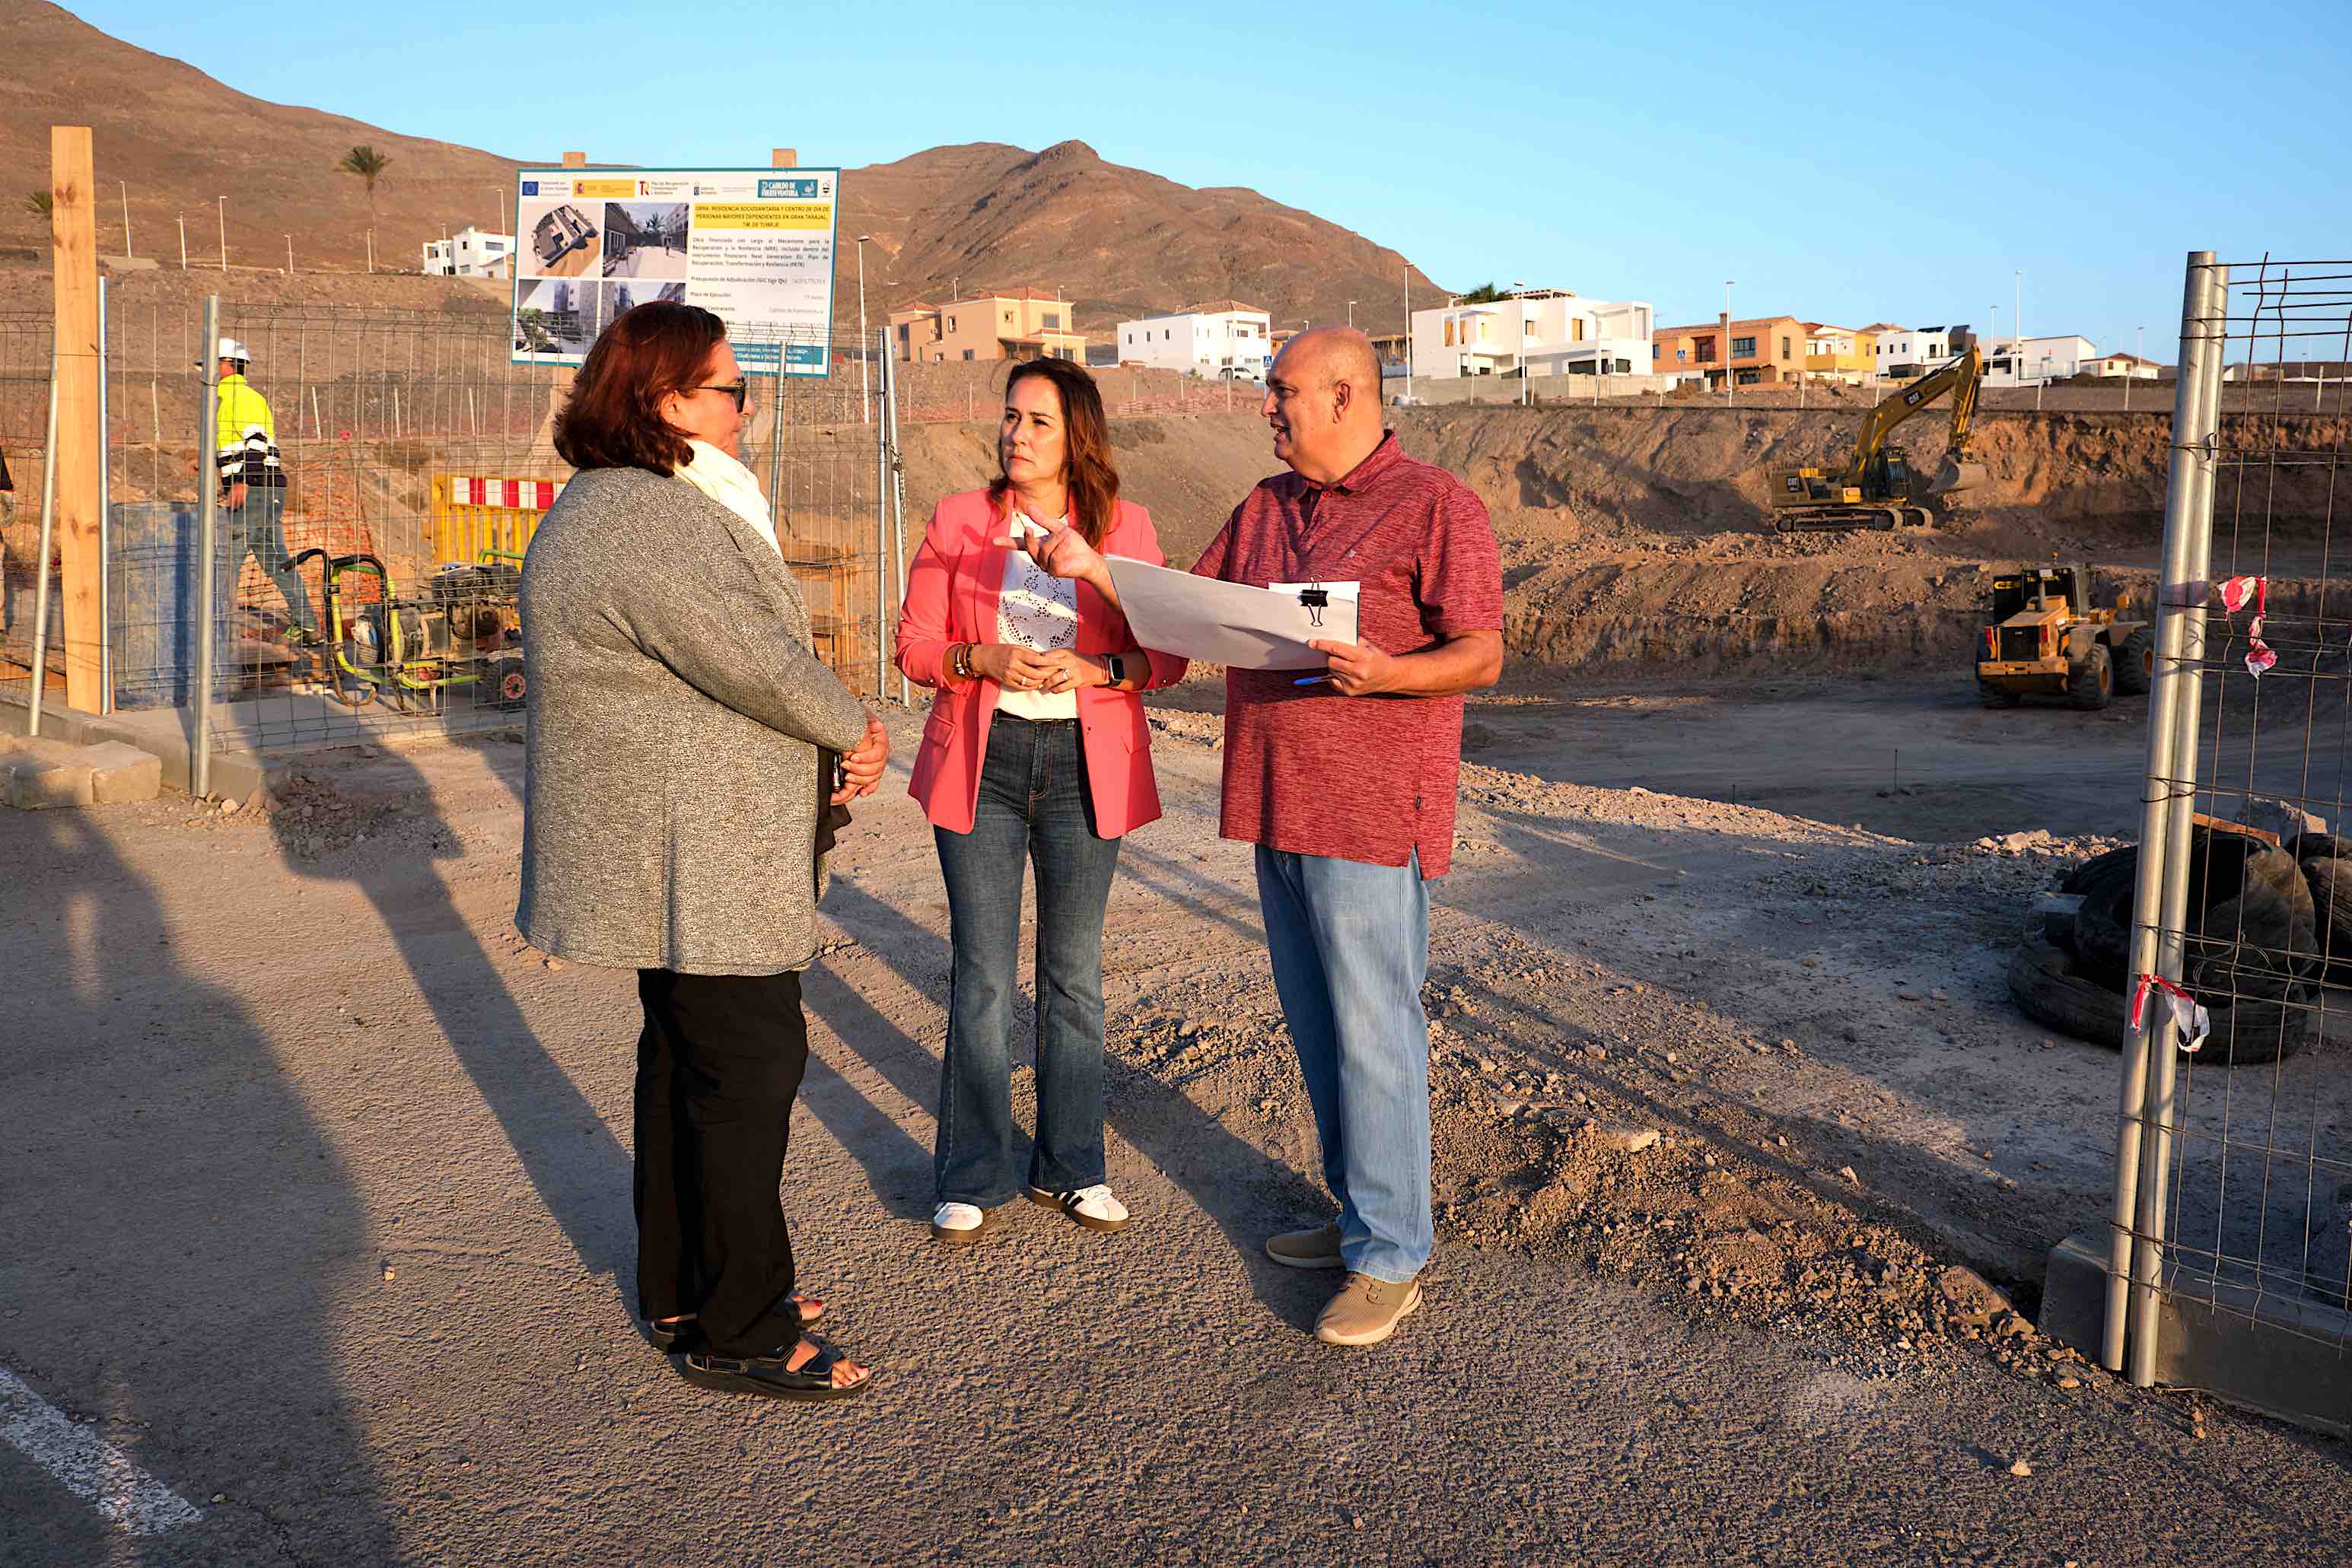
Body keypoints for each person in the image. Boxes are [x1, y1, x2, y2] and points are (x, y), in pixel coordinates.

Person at [1004, 328, 1502, 1345]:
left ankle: (1393, 1254)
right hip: (1272, 799)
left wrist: (1388, 673)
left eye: (1280, 393)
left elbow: (1481, 651)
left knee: (1373, 1031)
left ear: (1344, 396)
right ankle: (1358, 1217)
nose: (1265, 408)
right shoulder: (1264, 508)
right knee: (1321, 1032)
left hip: (1367, 814)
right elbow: (1181, 617)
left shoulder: (1437, 505)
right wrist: (1097, 573)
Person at [517, 301, 892, 1400]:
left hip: (678, 839)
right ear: (667, 400)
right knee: (746, 1068)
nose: (746, 405)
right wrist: (854, 727)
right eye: (730, 387)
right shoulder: (642, 514)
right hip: (693, 849)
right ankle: (742, 1322)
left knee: (684, 1064)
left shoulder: (631, 503)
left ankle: (685, 1282)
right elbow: (753, 658)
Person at [893, 358, 1186, 1247]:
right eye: (1010, 418)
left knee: (1074, 978)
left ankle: (1073, 1169)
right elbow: (914, 647)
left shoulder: (1125, 527)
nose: (1015, 435)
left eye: (1038, 423)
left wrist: (1093, 663)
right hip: (983, 759)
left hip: (1082, 761)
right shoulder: (957, 519)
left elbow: (1164, 659)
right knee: (981, 977)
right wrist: (979, 660)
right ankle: (971, 1174)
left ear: (1076, 438)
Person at [212, 338, 317, 645]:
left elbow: (256, 441)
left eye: (213, 364)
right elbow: (235, 444)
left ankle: (216, 632)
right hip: (264, 490)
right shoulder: (232, 399)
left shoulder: (240, 398)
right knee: (275, 561)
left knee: (226, 559)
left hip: (254, 490)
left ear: (226, 365)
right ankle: (308, 625)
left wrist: (243, 481)